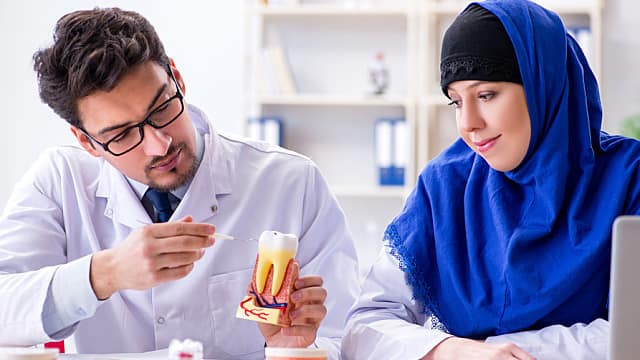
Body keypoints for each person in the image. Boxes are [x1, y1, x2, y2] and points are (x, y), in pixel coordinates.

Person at [0, 7, 359, 360]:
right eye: (122, 134)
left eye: (161, 109)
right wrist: (104, 274)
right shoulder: (59, 181)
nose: (160, 145)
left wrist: (290, 350)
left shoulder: (291, 181)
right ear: (86, 141)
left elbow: (345, 337)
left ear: (177, 78)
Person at [342, 0, 640, 359]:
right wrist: (452, 351)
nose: (469, 123)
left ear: (542, 84)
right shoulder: (444, 186)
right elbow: (364, 326)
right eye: (455, 102)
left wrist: (495, 350)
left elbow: (632, 332)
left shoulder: (629, 177)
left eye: (486, 95)